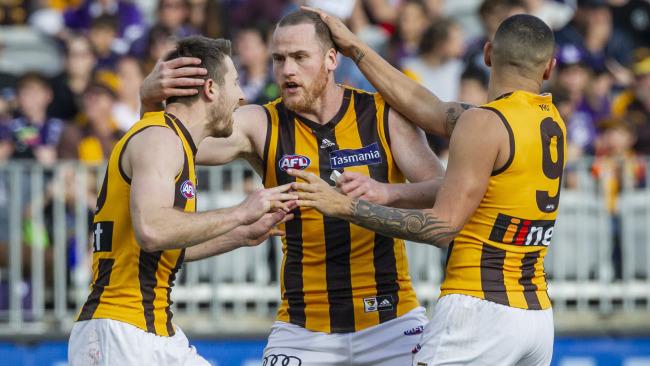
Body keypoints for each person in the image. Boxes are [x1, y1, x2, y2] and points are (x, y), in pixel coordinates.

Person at [140, 10, 464, 366]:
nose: (287, 70)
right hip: (302, 329)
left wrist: (386, 193)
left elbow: (442, 189)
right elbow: (171, 144)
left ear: (330, 60)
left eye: (299, 57)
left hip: (391, 320)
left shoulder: (382, 114)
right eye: (278, 59)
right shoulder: (262, 124)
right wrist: (150, 103)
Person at [292, 9, 565, 365]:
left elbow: (442, 227)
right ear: (549, 68)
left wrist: (345, 207)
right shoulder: (549, 121)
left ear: (486, 54)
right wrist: (355, 46)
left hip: (479, 311)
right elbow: (428, 108)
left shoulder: (483, 123)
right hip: (536, 317)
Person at [68, 36, 297, 366]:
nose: (242, 95)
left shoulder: (169, 138)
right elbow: (152, 230)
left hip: (148, 330)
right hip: (121, 333)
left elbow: (161, 249)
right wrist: (241, 211)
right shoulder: (161, 139)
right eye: (234, 82)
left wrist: (242, 234)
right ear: (210, 89)